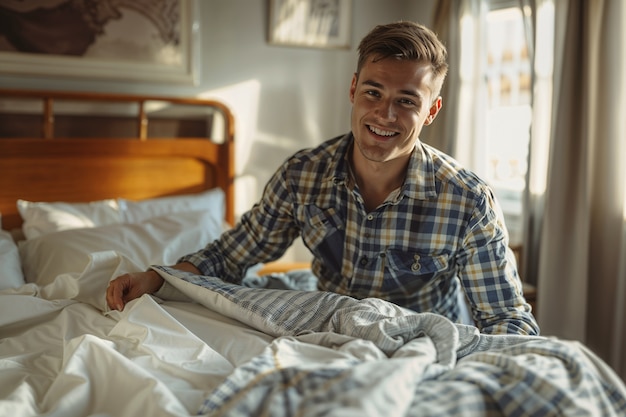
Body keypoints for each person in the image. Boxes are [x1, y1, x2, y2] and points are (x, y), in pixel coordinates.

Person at [107, 21, 539, 336]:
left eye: (406, 101)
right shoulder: (302, 176)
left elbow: (504, 317)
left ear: (431, 111)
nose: (384, 114)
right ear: (353, 90)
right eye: (373, 92)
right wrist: (156, 278)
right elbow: (232, 254)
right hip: (329, 335)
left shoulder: (467, 200)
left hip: (426, 345)